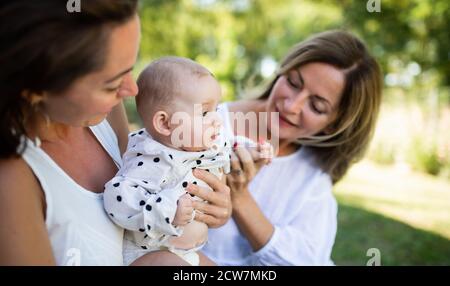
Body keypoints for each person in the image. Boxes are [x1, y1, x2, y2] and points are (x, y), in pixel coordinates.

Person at [0, 1, 231, 266]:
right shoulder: (12, 182)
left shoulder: (105, 115)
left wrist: (212, 210)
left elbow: (152, 206)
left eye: (129, 69)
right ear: (36, 90)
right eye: (111, 84)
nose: (132, 90)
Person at [203, 30, 383, 265]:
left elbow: (308, 260)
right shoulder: (207, 124)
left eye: (317, 106)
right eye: (293, 82)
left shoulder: (313, 176)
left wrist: (240, 198)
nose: (291, 105)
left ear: (334, 125)